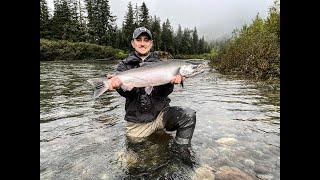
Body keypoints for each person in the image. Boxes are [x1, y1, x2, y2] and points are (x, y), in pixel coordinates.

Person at [107, 27, 196, 162]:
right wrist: (118, 86)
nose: (142, 43)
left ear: (151, 44)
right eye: (139, 40)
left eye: (146, 40)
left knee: (188, 115)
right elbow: (127, 95)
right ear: (133, 43)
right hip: (138, 122)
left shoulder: (161, 64)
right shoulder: (123, 66)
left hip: (160, 116)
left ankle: (181, 154)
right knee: (138, 164)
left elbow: (163, 93)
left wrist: (170, 83)